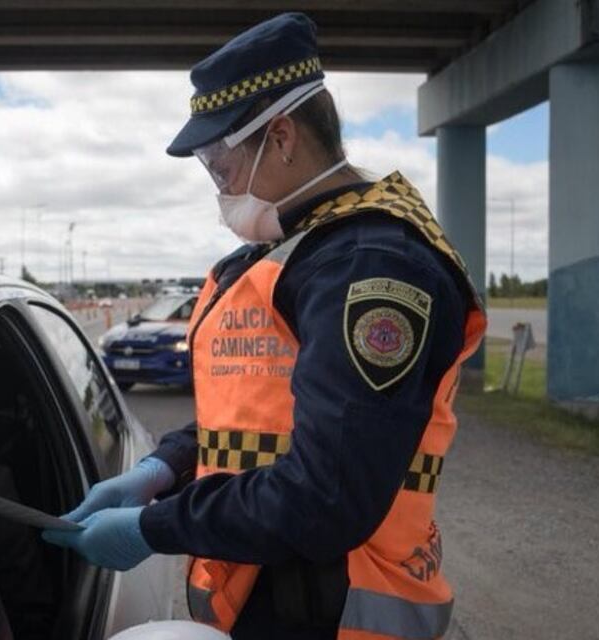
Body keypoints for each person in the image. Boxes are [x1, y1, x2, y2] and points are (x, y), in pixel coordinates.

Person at [43, 12, 487, 639]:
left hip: (336, 613)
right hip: (272, 599)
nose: (217, 183)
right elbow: (264, 417)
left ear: (281, 137)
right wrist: (166, 467)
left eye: (219, 160)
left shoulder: (369, 266)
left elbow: (325, 493)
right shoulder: (297, 251)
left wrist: (155, 526)